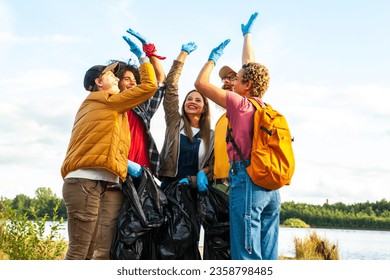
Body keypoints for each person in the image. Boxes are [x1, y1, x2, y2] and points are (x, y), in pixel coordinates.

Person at [61, 33, 158, 260]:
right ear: (98, 82)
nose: (116, 79)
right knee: (80, 253)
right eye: (110, 75)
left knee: (101, 253)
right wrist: (143, 58)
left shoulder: (110, 106)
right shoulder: (104, 100)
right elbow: (150, 87)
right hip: (86, 181)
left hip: (108, 182)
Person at [195, 12, 281, 260]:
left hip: (246, 181)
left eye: (237, 80)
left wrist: (212, 59)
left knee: (246, 256)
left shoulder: (240, 105)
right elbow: (251, 66)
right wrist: (247, 36)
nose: (232, 83)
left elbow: (200, 83)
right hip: (270, 186)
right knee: (267, 255)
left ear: (246, 86)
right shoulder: (264, 107)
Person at [91, 29, 166, 260]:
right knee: (111, 231)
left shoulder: (142, 107)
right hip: (115, 175)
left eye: (136, 81)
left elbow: (160, 83)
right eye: (127, 79)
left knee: (138, 233)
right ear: (118, 83)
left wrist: (150, 52)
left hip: (140, 177)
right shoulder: (110, 105)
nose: (132, 84)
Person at [158, 42, 214, 259]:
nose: (192, 101)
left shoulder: (211, 135)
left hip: (195, 194)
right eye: (189, 99)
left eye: (197, 99)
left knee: (189, 242)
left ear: (204, 107)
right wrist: (183, 55)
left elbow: (211, 168)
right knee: (166, 241)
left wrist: (194, 178)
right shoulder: (175, 122)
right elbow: (170, 87)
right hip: (170, 189)